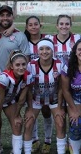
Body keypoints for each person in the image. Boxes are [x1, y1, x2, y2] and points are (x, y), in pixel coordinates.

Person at [23, 39, 66, 154]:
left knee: (60, 123)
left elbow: (62, 87)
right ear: (37, 51)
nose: (44, 52)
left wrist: (61, 107)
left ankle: (58, 148)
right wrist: (29, 107)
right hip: (36, 99)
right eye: (41, 49)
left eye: (48, 49)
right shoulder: (31, 65)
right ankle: (28, 150)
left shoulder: (59, 64)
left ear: (53, 51)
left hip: (54, 98)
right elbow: (27, 88)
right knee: (28, 123)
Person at [0, 50, 30, 154]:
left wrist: (17, 114)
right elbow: (0, 100)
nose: (21, 67)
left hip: (9, 100)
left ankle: (16, 151)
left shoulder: (28, 76)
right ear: (11, 66)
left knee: (17, 124)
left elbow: (22, 99)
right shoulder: (4, 78)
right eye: (17, 65)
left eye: (23, 64)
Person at [23, 15, 51, 146]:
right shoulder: (24, 41)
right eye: (30, 24)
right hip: (31, 83)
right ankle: (34, 140)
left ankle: (47, 140)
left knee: (46, 110)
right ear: (26, 27)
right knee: (30, 111)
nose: (33, 27)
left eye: (36, 24)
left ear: (40, 25)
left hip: (48, 81)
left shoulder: (49, 39)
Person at [0, 5, 30, 71]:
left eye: (8, 15)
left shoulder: (20, 35)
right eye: (2, 15)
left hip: (11, 78)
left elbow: (26, 58)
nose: (5, 18)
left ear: (12, 17)